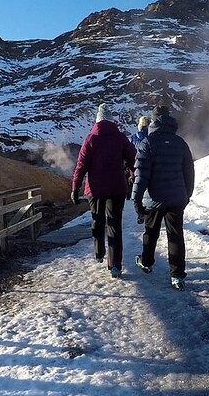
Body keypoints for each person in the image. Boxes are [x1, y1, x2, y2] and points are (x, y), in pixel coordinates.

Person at [131, 105, 195, 290]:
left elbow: (141, 175)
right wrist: (186, 195)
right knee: (175, 235)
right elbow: (189, 172)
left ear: (153, 120)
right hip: (176, 198)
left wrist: (136, 199)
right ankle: (177, 276)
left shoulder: (147, 143)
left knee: (150, 232)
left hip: (154, 199)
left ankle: (147, 262)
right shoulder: (180, 143)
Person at [72, 103, 136, 279]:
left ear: (97, 120)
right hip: (117, 188)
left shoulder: (90, 139)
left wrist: (75, 187)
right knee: (114, 225)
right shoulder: (120, 138)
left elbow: (81, 165)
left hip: (95, 189)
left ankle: (99, 252)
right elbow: (133, 160)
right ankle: (115, 266)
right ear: (111, 119)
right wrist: (134, 178)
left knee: (97, 220)